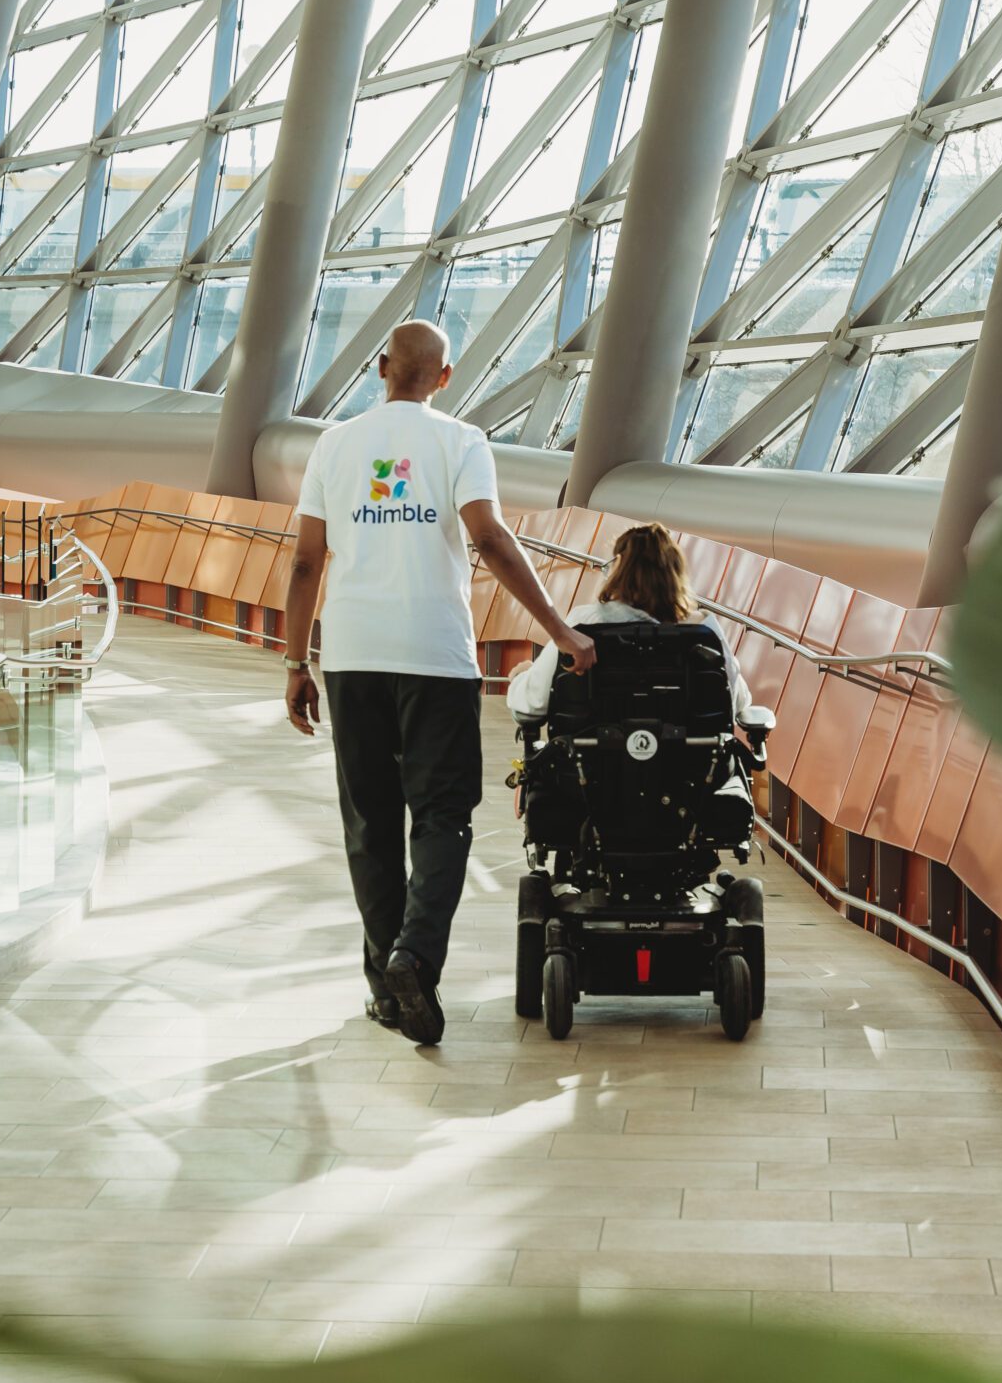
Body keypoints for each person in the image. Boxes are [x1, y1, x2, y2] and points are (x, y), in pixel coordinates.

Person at [282, 319, 597, 1048]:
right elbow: (488, 538)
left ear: (380, 366)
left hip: (352, 657)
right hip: (436, 657)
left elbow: (304, 563)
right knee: (442, 815)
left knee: (370, 823)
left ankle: (385, 991)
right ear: (445, 377)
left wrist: (296, 663)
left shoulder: (335, 444)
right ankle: (415, 959)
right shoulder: (461, 441)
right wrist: (559, 630)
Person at [506, 520, 753, 724]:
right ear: (676, 576)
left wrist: (521, 677)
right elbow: (736, 701)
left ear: (619, 570)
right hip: (687, 764)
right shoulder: (702, 631)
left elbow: (532, 704)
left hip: (594, 764)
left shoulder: (584, 624)